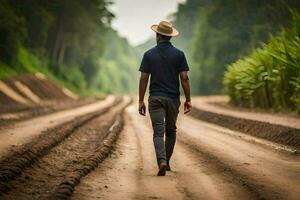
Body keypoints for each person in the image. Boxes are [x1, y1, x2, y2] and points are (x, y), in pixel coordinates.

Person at [138, 21, 192, 176]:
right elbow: (184, 78)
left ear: (158, 35)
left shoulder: (149, 54)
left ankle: (161, 161)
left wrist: (141, 100)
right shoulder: (179, 54)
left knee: (158, 132)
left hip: (155, 99)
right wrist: (188, 99)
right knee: (171, 131)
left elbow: (144, 78)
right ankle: (166, 162)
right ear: (170, 37)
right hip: (173, 99)